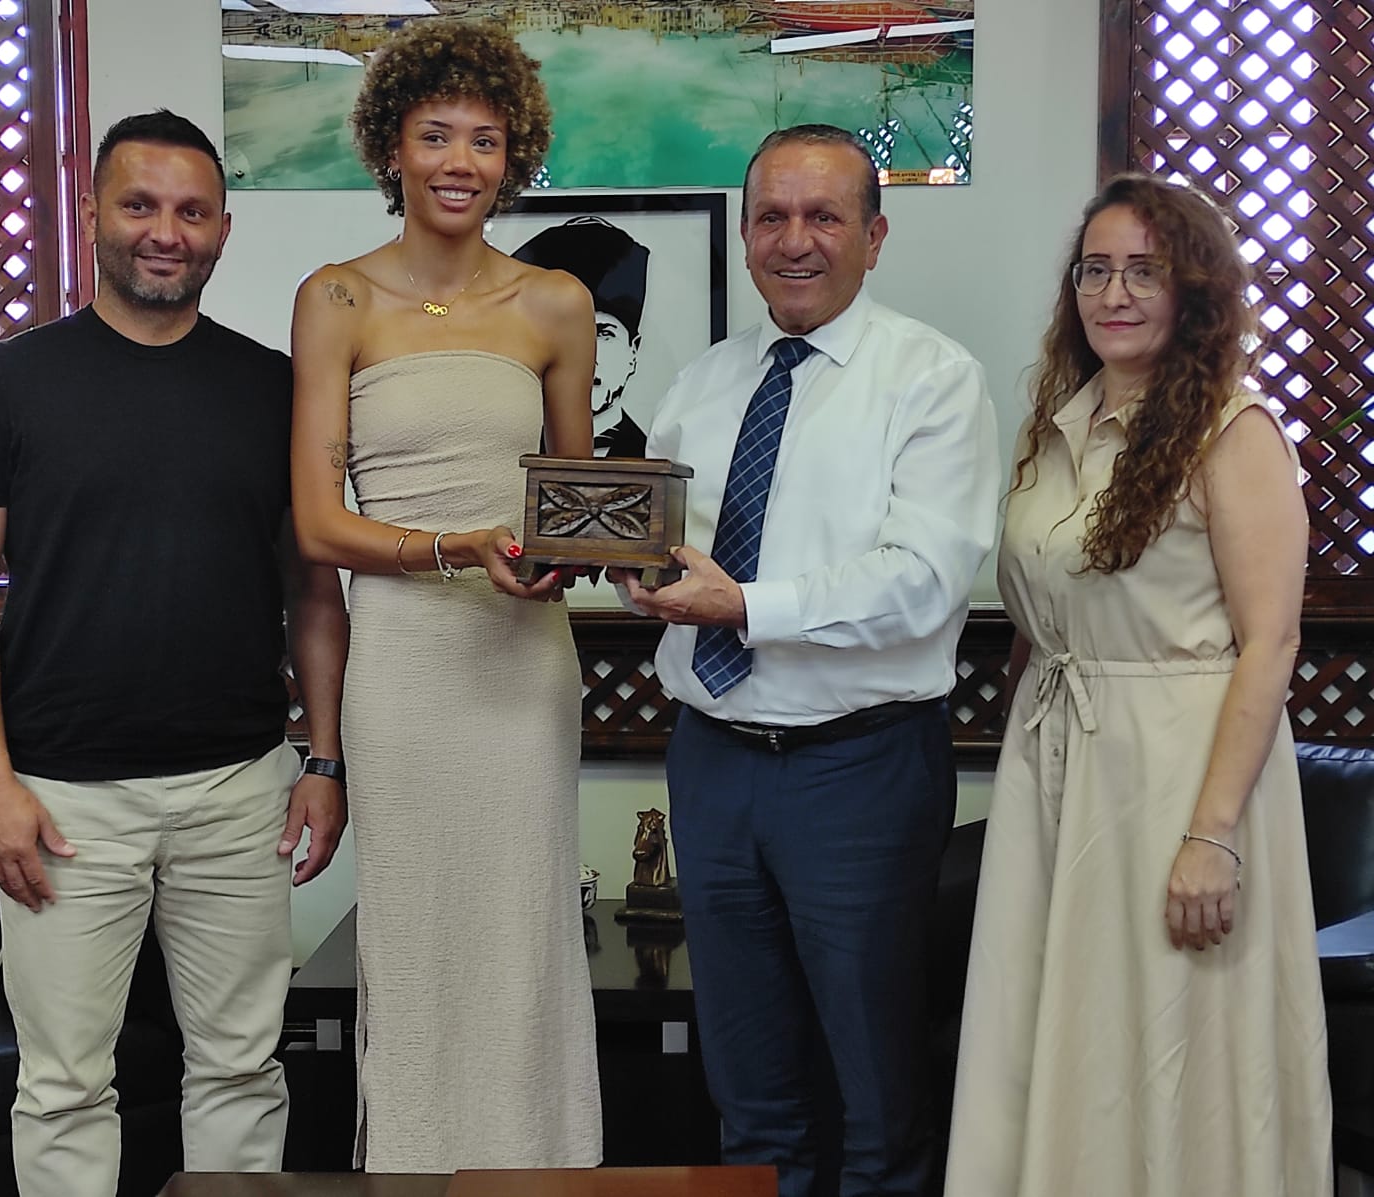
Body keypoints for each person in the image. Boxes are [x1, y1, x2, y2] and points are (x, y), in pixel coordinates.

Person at [0, 110, 348, 1197]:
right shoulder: (2, 390)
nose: (167, 232)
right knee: (65, 1083)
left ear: (223, 229)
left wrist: (323, 758)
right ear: (91, 214)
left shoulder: (275, 392)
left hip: (239, 788)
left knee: (242, 1068)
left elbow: (314, 589)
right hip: (61, 800)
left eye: (193, 212)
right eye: (141, 205)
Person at [612, 124, 1000, 1197]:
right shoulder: (701, 385)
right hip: (713, 761)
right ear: (744, 235)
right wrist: (632, 574)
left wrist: (744, 604)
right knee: (749, 1089)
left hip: (859, 771)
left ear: (874, 236)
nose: (795, 240)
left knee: (875, 1094)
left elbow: (923, 581)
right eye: (771, 217)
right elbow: (665, 548)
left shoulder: (931, 380)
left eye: (824, 216)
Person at [944, 175, 1331, 1195]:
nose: (1113, 294)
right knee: (1054, 1022)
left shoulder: (1233, 432)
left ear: (1192, 290)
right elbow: (1041, 612)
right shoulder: (1053, 425)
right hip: (1056, 763)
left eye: (1143, 272)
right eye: (1095, 270)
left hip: (1178, 773)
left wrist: (1212, 836)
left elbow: (1270, 642)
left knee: (1167, 1030)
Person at [288, 19, 602, 1173]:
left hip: (522, 663)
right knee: (415, 942)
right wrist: (453, 549)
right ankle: (416, 1168)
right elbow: (317, 526)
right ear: (391, 147)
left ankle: (536, 1168)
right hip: (405, 666)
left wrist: (569, 553)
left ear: (513, 156)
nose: (460, 160)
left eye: (484, 138)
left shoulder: (555, 303)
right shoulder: (336, 299)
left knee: (523, 934)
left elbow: (572, 505)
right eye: (435, 135)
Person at [511, 216, 650, 456]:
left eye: (603, 333)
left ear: (633, 351)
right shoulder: (500, 454)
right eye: (561, 332)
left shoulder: (655, 452)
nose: (585, 356)